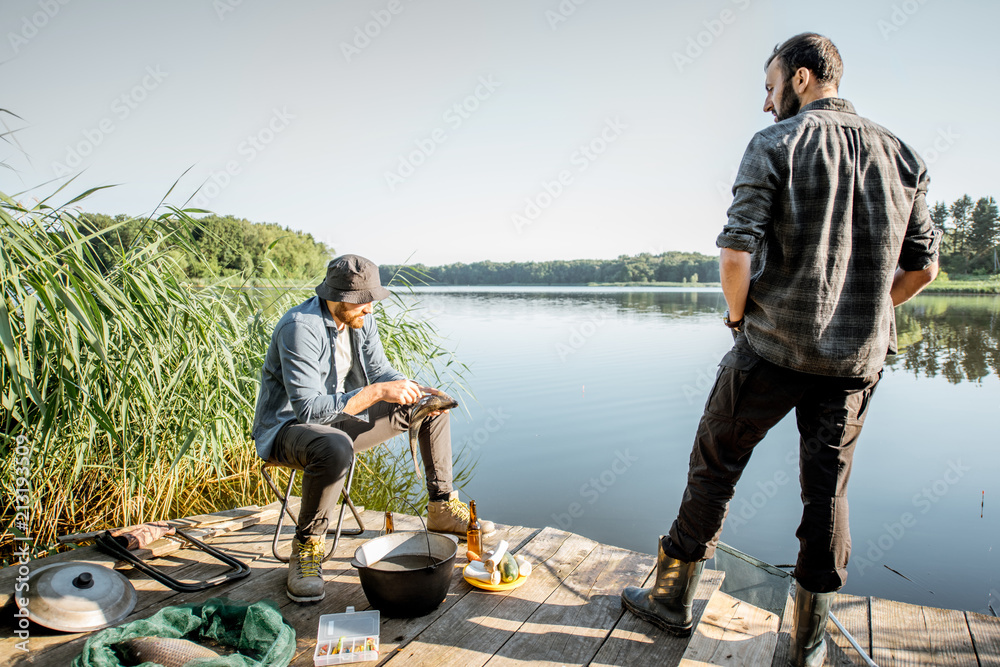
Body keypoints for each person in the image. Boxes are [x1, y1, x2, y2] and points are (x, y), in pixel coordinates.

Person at [620, 33, 939, 667]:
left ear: (800, 78)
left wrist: (738, 320)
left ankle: (673, 598)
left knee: (715, 463)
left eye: (769, 88)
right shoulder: (903, 156)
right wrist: (867, 311)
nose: (765, 105)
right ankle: (807, 641)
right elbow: (923, 268)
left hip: (768, 347)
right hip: (854, 365)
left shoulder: (774, 144)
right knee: (828, 494)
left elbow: (736, 253)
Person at [252, 254, 495, 603]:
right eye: (364, 302)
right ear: (339, 298)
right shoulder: (300, 328)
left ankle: (441, 508)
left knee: (431, 408)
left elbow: (381, 371)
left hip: (339, 421)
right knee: (334, 446)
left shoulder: (360, 318)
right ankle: (306, 547)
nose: (370, 309)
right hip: (288, 430)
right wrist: (377, 392)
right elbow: (307, 410)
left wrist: (409, 388)